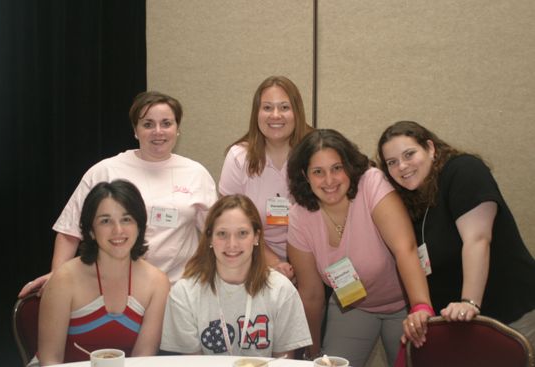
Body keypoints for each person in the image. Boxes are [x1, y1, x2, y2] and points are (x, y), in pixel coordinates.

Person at [19, 91, 217, 297]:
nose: (158, 131)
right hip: (113, 291)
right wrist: (58, 277)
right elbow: (69, 231)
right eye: (148, 124)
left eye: (166, 123)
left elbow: (214, 234)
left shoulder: (196, 174)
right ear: (135, 130)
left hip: (178, 291)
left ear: (177, 129)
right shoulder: (105, 171)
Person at [377, 120, 535, 348]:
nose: (402, 166)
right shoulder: (413, 199)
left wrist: (469, 302)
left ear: (430, 148)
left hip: (513, 315)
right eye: (392, 162)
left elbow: (477, 239)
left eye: (409, 154)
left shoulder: (463, 170)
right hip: (462, 323)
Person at [286, 129, 433, 367]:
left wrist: (420, 306)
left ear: (348, 167)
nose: (329, 180)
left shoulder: (370, 183)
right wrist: (311, 353)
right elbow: (311, 294)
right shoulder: (299, 217)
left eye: (337, 168)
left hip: (404, 303)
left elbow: (404, 247)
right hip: (354, 307)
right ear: (305, 175)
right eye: (318, 172)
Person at [160, 194, 312, 358]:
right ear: (209, 237)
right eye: (222, 234)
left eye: (242, 233)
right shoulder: (184, 294)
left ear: (256, 237)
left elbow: (284, 361)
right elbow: (192, 364)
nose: (232, 244)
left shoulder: (282, 291)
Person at [37, 180, 170, 365]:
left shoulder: (157, 282)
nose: (118, 230)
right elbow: (50, 359)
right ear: (91, 230)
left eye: (126, 219)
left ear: (139, 226)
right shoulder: (64, 279)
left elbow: (143, 359)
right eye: (105, 221)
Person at [218, 76, 313, 279]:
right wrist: (275, 263)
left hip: (314, 258)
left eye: (284, 107)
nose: (275, 115)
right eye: (267, 108)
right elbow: (231, 224)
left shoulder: (315, 153)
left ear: (297, 112)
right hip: (253, 258)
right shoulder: (238, 157)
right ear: (256, 114)